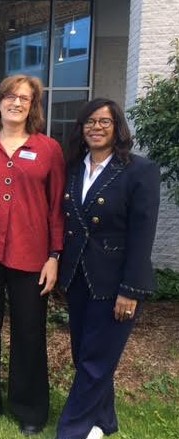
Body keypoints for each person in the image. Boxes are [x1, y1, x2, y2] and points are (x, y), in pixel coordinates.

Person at [0, 75, 65, 436]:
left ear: (33, 106)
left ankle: (30, 408)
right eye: (10, 96)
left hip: (30, 255)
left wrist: (54, 255)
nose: (16, 103)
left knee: (30, 333)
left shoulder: (48, 149)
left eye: (25, 98)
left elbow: (56, 208)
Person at [55, 98, 160, 439]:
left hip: (115, 282)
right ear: (80, 129)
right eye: (89, 122)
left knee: (95, 361)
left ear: (117, 127)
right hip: (78, 279)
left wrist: (131, 289)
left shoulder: (138, 170)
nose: (96, 127)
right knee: (84, 355)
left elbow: (143, 234)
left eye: (104, 121)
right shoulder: (73, 168)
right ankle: (105, 422)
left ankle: (71, 430)